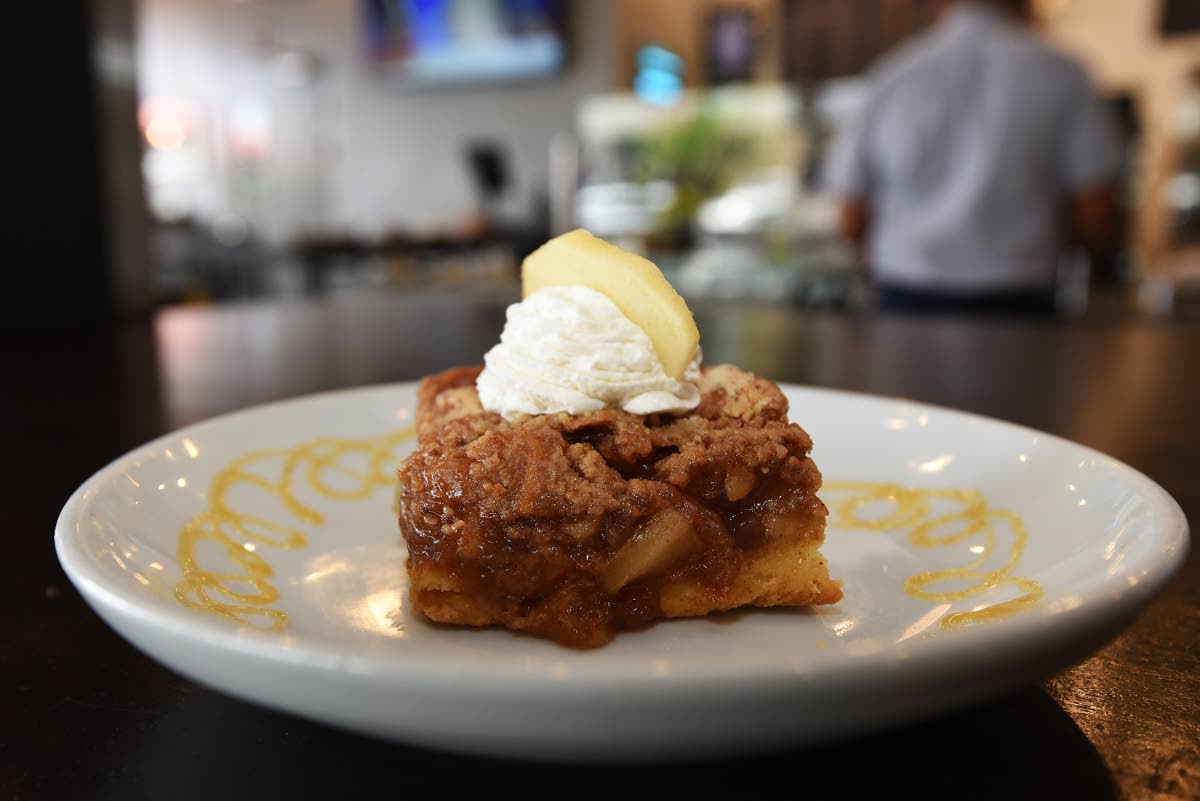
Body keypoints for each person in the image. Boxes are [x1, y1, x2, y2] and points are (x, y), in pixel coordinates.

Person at [823, 0, 1122, 315]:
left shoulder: (891, 75)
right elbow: (1094, 215)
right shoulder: (1062, 74)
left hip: (905, 302)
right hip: (1019, 307)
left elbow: (851, 221)